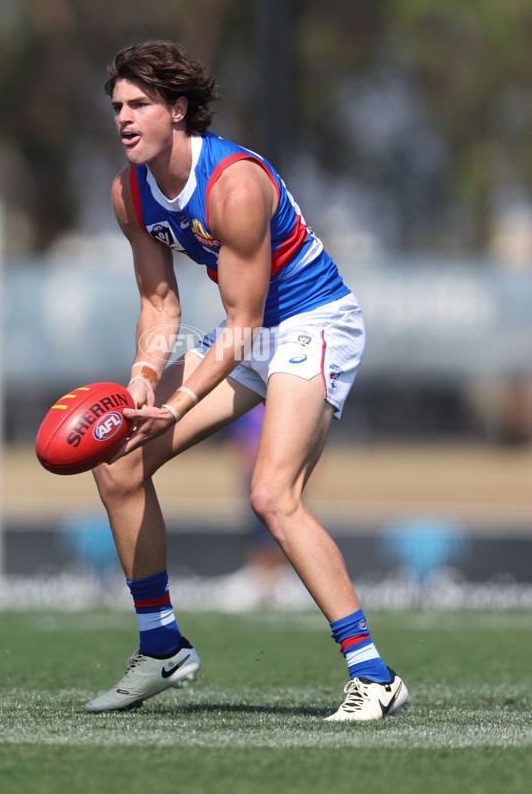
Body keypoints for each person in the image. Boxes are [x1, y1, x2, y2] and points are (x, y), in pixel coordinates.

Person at [85, 40, 408, 721]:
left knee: (272, 494)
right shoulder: (128, 193)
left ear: (178, 109)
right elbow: (160, 304)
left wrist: (175, 403)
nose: (124, 117)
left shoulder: (233, 184)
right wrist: (144, 377)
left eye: (140, 103)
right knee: (116, 463)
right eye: (117, 105)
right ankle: (162, 646)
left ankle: (374, 674)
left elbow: (243, 323)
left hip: (312, 323)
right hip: (253, 330)